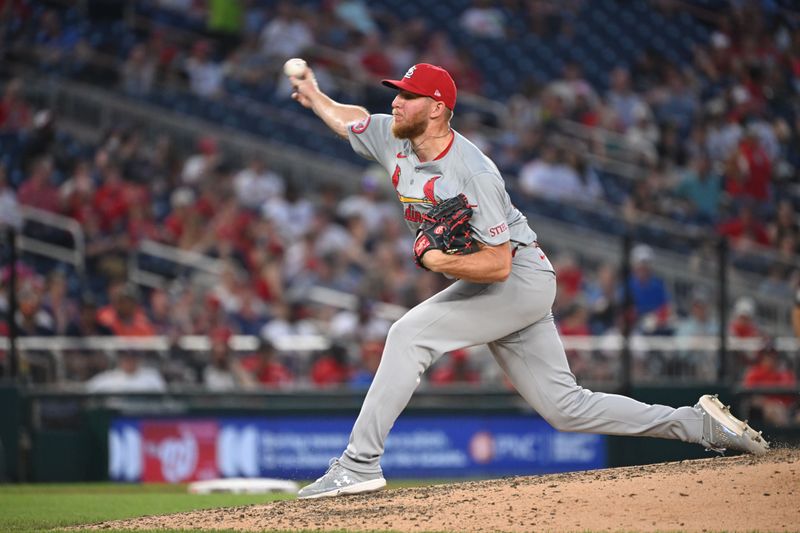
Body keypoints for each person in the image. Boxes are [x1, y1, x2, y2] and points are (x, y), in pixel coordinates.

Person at [288, 61, 769, 499]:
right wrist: (315, 95)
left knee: (407, 334)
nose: (395, 101)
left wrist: (436, 261)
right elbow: (350, 117)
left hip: (517, 277)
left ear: (436, 109)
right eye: (396, 92)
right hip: (496, 284)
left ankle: (359, 464)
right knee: (567, 408)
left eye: (407, 95)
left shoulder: (473, 172)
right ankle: (700, 426)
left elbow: (498, 265)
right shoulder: (393, 136)